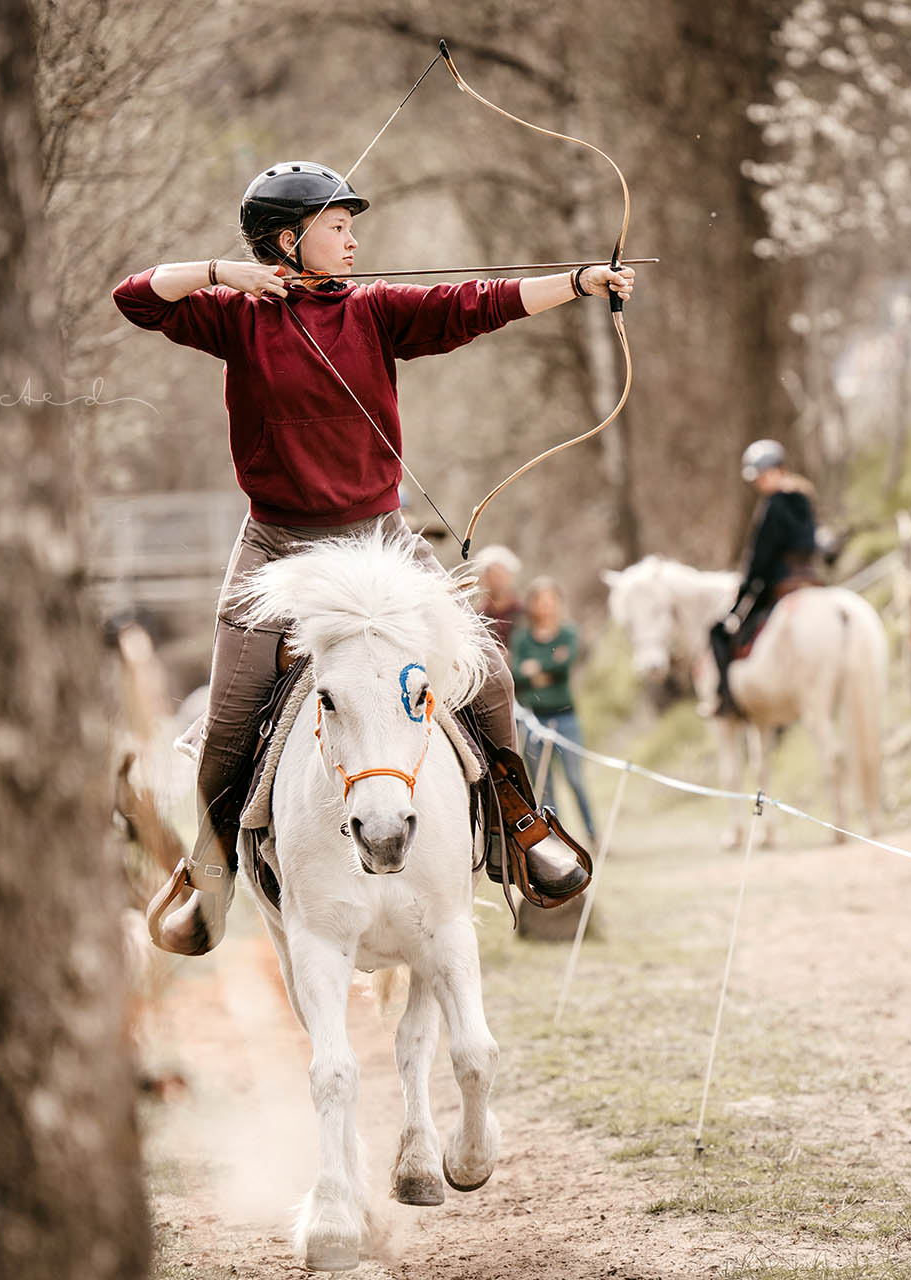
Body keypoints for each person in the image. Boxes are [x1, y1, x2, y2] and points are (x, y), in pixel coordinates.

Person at [113, 160, 636, 954]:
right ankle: (211, 868)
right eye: (337, 225)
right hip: (277, 544)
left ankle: (519, 824)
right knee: (227, 717)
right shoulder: (233, 318)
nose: (354, 239)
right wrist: (229, 276)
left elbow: (476, 303)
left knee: (487, 671)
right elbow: (135, 297)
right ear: (288, 240)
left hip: (380, 537)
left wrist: (576, 282)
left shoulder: (375, 311)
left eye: (352, 225)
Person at [708, 439, 821, 716]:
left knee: (719, 632)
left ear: (778, 469)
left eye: (763, 473)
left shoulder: (773, 506)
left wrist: (746, 588)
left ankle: (727, 698)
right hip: (810, 577)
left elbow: (761, 556)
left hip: (779, 581)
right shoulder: (804, 497)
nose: (760, 480)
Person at [510, 577, 596, 842]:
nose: (546, 607)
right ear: (531, 605)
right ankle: (556, 839)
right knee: (543, 784)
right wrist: (543, 667)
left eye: (551, 601)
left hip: (565, 716)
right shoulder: (522, 638)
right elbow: (516, 675)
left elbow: (562, 666)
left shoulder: (568, 633)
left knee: (575, 778)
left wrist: (536, 668)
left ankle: (592, 834)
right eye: (540, 601)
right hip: (533, 719)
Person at [472, 544, 523, 651]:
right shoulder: (476, 616)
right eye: (493, 575)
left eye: (501, 575)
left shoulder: (524, 614)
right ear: (484, 579)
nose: (497, 581)